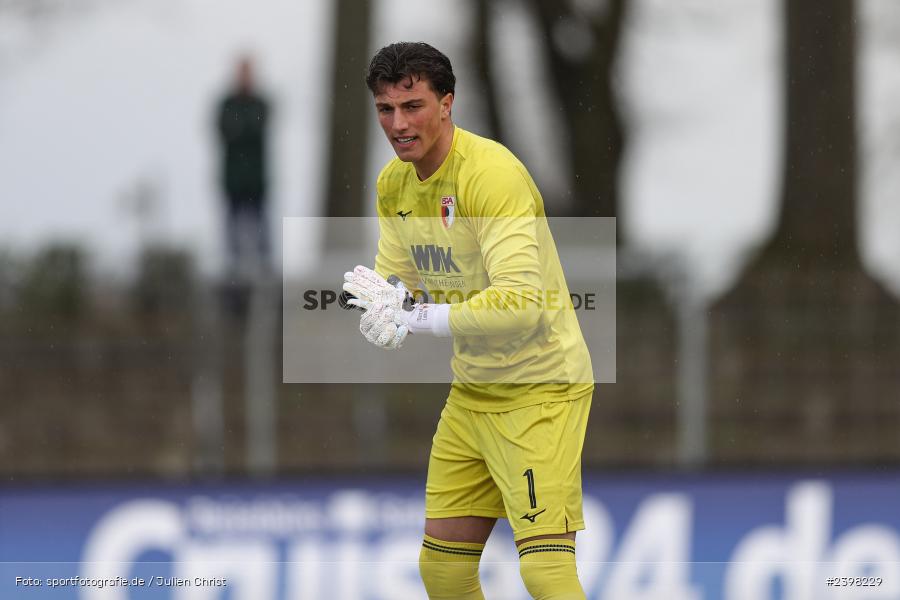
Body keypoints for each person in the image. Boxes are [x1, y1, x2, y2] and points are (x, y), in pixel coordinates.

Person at [342, 42, 594, 600]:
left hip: (541, 390)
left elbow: (520, 303)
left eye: (412, 106)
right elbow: (400, 284)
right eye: (385, 109)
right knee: (444, 571)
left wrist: (417, 317)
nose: (398, 124)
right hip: (473, 391)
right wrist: (381, 310)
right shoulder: (393, 185)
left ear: (447, 103)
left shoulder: (491, 176)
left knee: (544, 573)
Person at [216, 55, 271, 275]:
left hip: (256, 180)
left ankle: (264, 266)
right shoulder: (228, 104)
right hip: (234, 180)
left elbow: (253, 129)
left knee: (261, 226)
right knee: (232, 227)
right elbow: (226, 130)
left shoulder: (260, 104)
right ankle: (234, 268)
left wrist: (240, 129)